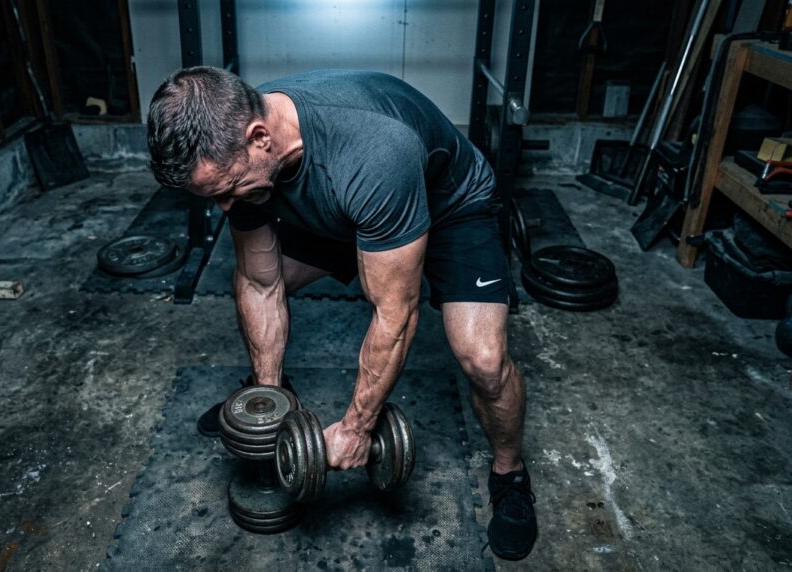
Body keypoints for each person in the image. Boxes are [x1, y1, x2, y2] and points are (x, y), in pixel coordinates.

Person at [146, 66, 536, 560]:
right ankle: (270, 390)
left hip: (449, 207)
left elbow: (396, 316)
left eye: (228, 188)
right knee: (263, 276)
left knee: (484, 361)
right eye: (213, 195)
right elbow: (261, 283)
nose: (225, 207)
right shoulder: (236, 145)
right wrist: (268, 406)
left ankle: (510, 474)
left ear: (260, 137)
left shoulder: (373, 150)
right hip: (350, 208)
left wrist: (357, 429)